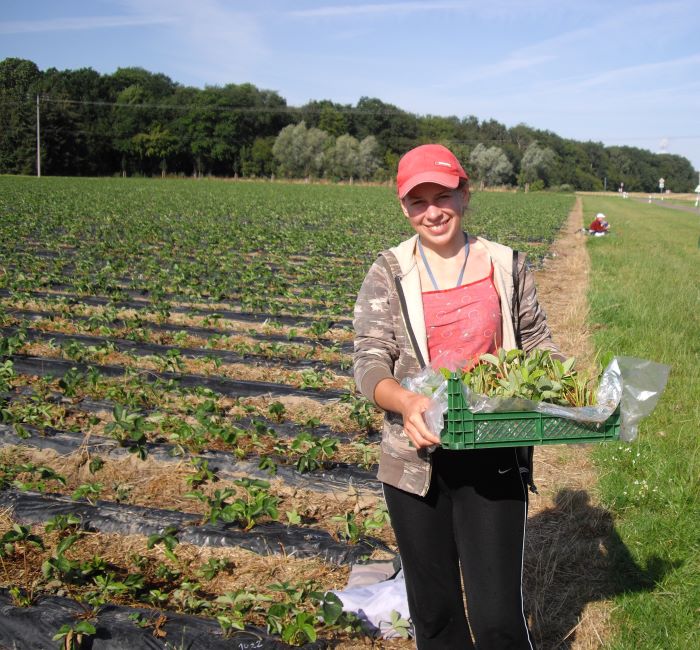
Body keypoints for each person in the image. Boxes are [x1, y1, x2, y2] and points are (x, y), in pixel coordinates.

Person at [353, 144, 562, 649]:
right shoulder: (390, 271)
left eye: (442, 195)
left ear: (464, 195)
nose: (432, 211)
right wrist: (405, 402)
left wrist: (563, 388)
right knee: (436, 613)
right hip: (414, 459)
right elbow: (369, 361)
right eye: (418, 201)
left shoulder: (506, 265)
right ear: (404, 207)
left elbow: (537, 344)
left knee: (496, 618)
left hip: (492, 450)